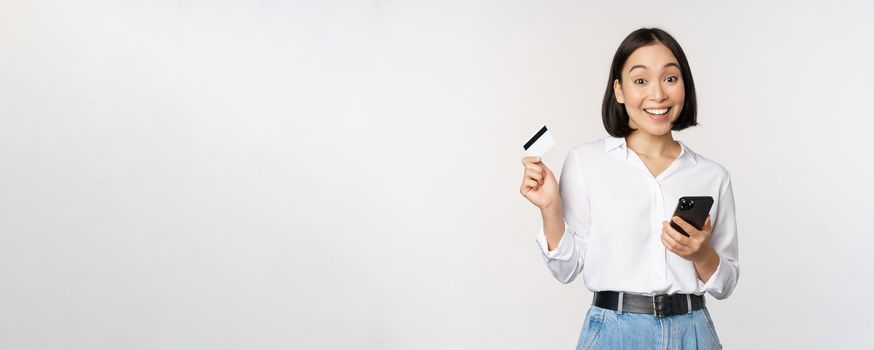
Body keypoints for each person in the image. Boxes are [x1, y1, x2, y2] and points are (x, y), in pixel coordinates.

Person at [520, 28, 739, 349]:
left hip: (693, 332)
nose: (658, 94)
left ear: (685, 87)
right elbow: (566, 269)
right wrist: (550, 208)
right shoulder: (586, 161)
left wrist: (701, 253)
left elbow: (726, 284)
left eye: (670, 78)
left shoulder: (711, 175)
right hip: (614, 333)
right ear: (619, 91)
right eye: (640, 81)